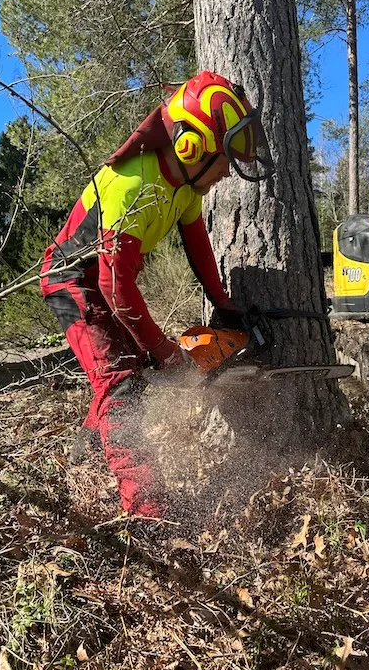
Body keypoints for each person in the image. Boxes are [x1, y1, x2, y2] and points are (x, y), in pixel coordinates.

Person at [40, 71, 274, 517]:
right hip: (70, 282)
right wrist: (163, 350)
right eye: (224, 159)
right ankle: (147, 512)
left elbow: (198, 245)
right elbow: (113, 283)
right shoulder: (133, 184)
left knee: (131, 373)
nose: (227, 172)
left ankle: (86, 452)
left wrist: (223, 302)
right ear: (192, 145)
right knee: (121, 381)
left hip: (107, 281)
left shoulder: (185, 186)